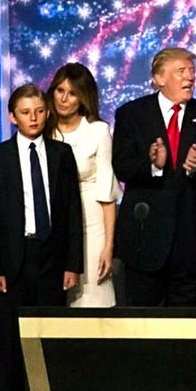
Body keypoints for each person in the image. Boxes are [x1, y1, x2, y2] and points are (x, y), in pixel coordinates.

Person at [0, 85, 84, 391]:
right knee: (10, 348)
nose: (34, 118)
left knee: (50, 344)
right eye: (26, 112)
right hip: (13, 263)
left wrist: (73, 264)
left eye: (39, 111)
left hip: (52, 261)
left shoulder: (61, 154)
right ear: (12, 116)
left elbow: (72, 212)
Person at [110, 46, 196, 306]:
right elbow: (121, 166)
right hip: (146, 244)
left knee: (190, 332)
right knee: (144, 329)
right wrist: (152, 165)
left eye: (191, 71)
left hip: (193, 244)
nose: (190, 77)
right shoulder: (132, 114)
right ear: (159, 78)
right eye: (181, 71)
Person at [48, 63, 118, 308]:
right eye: (60, 91)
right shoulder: (44, 130)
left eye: (73, 93)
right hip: (52, 219)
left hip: (90, 221)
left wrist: (109, 247)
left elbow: (107, 194)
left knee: (92, 297)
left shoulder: (98, 131)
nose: (64, 99)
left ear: (83, 97)